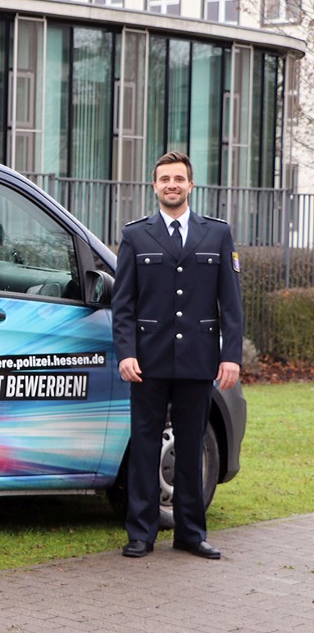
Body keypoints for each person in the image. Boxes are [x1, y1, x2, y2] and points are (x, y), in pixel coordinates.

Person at [113, 150, 242, 561]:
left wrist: (231, 356)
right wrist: (126, 353)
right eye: (164, 178)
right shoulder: (135, 235)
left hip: (199, 360)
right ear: (154, 186)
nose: (172, 185)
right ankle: (141, 533)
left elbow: (231, 304)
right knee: (145, 448)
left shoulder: (217, 234)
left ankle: (190, 533)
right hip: (147, 362)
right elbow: (124, 304)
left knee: (190, 447)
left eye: (179, 179)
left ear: (191, 185)